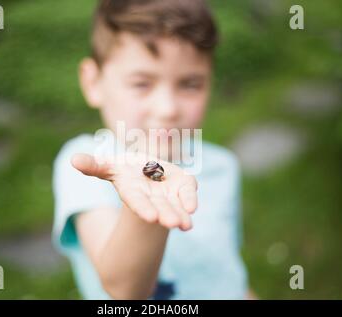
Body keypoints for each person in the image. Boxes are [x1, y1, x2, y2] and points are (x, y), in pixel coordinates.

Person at [52, 0, 251, 299]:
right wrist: (147, 205)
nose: (168, 109)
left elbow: (224, 271)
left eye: (190, 84)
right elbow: (124, 291)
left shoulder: (223, 167)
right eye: (142, 84)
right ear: (93, 82)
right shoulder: (88, 165)